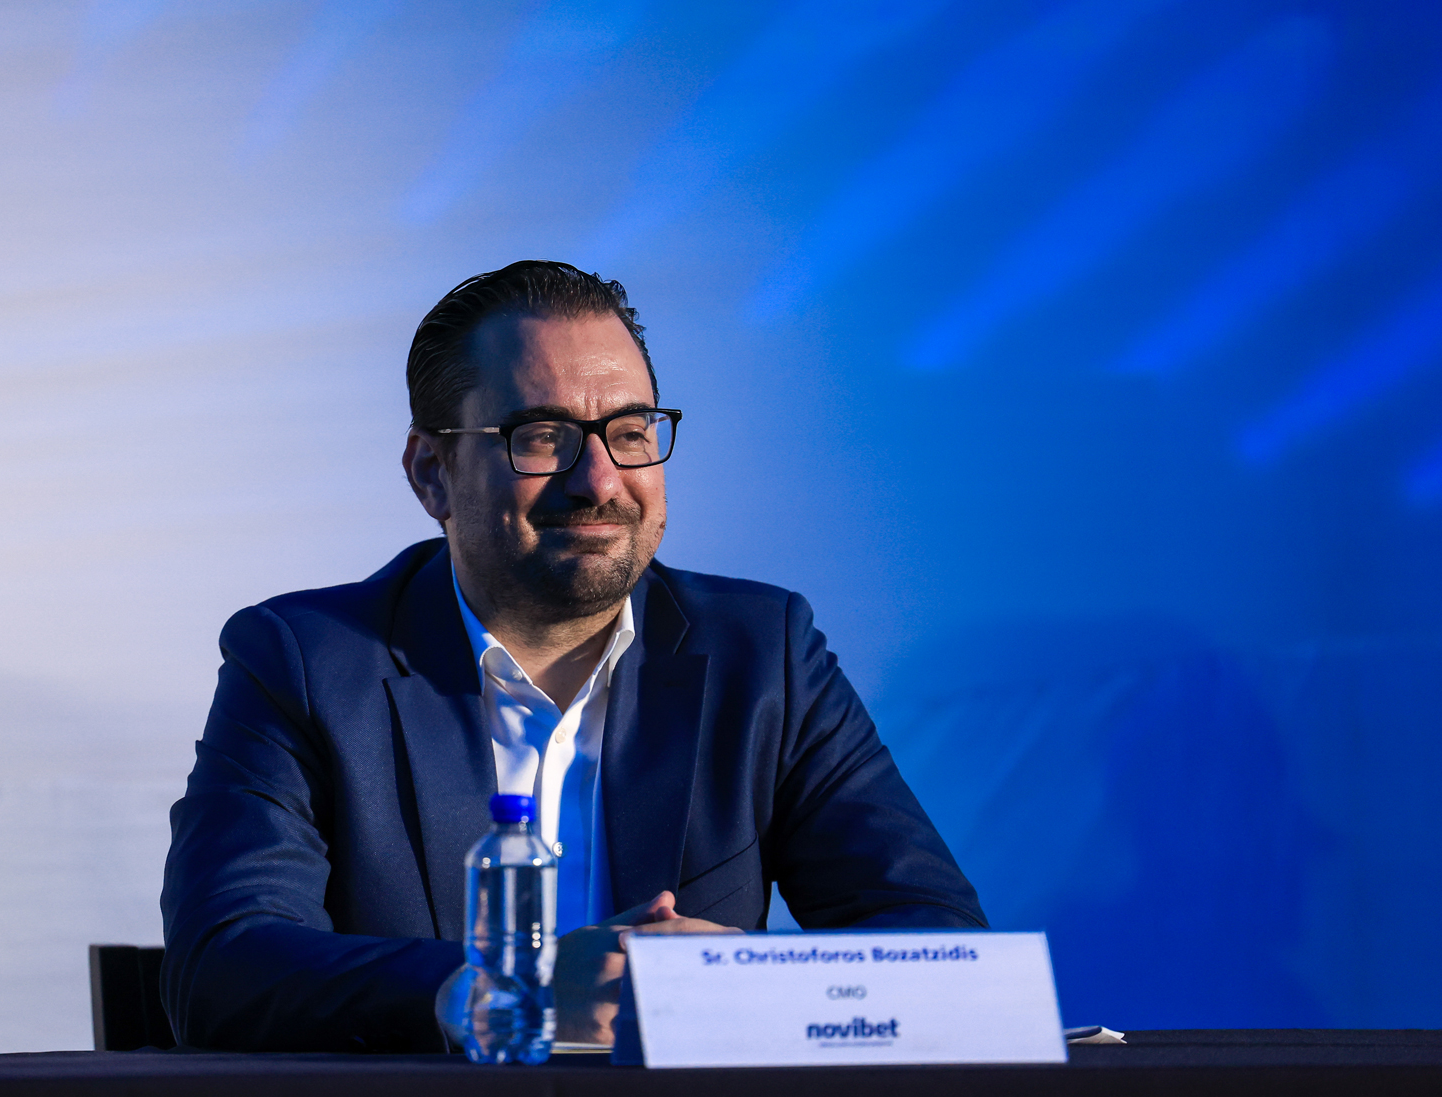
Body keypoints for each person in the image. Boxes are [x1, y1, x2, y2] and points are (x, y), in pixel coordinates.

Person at [160, 260, 985, 1052]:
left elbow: (939, 946)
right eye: (543, 436)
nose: (600, 479)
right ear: (432, 473)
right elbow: (223, 965)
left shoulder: (764, 654)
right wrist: (510, 994)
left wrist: (740, 983)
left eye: (629, 432)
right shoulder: (304, 662)